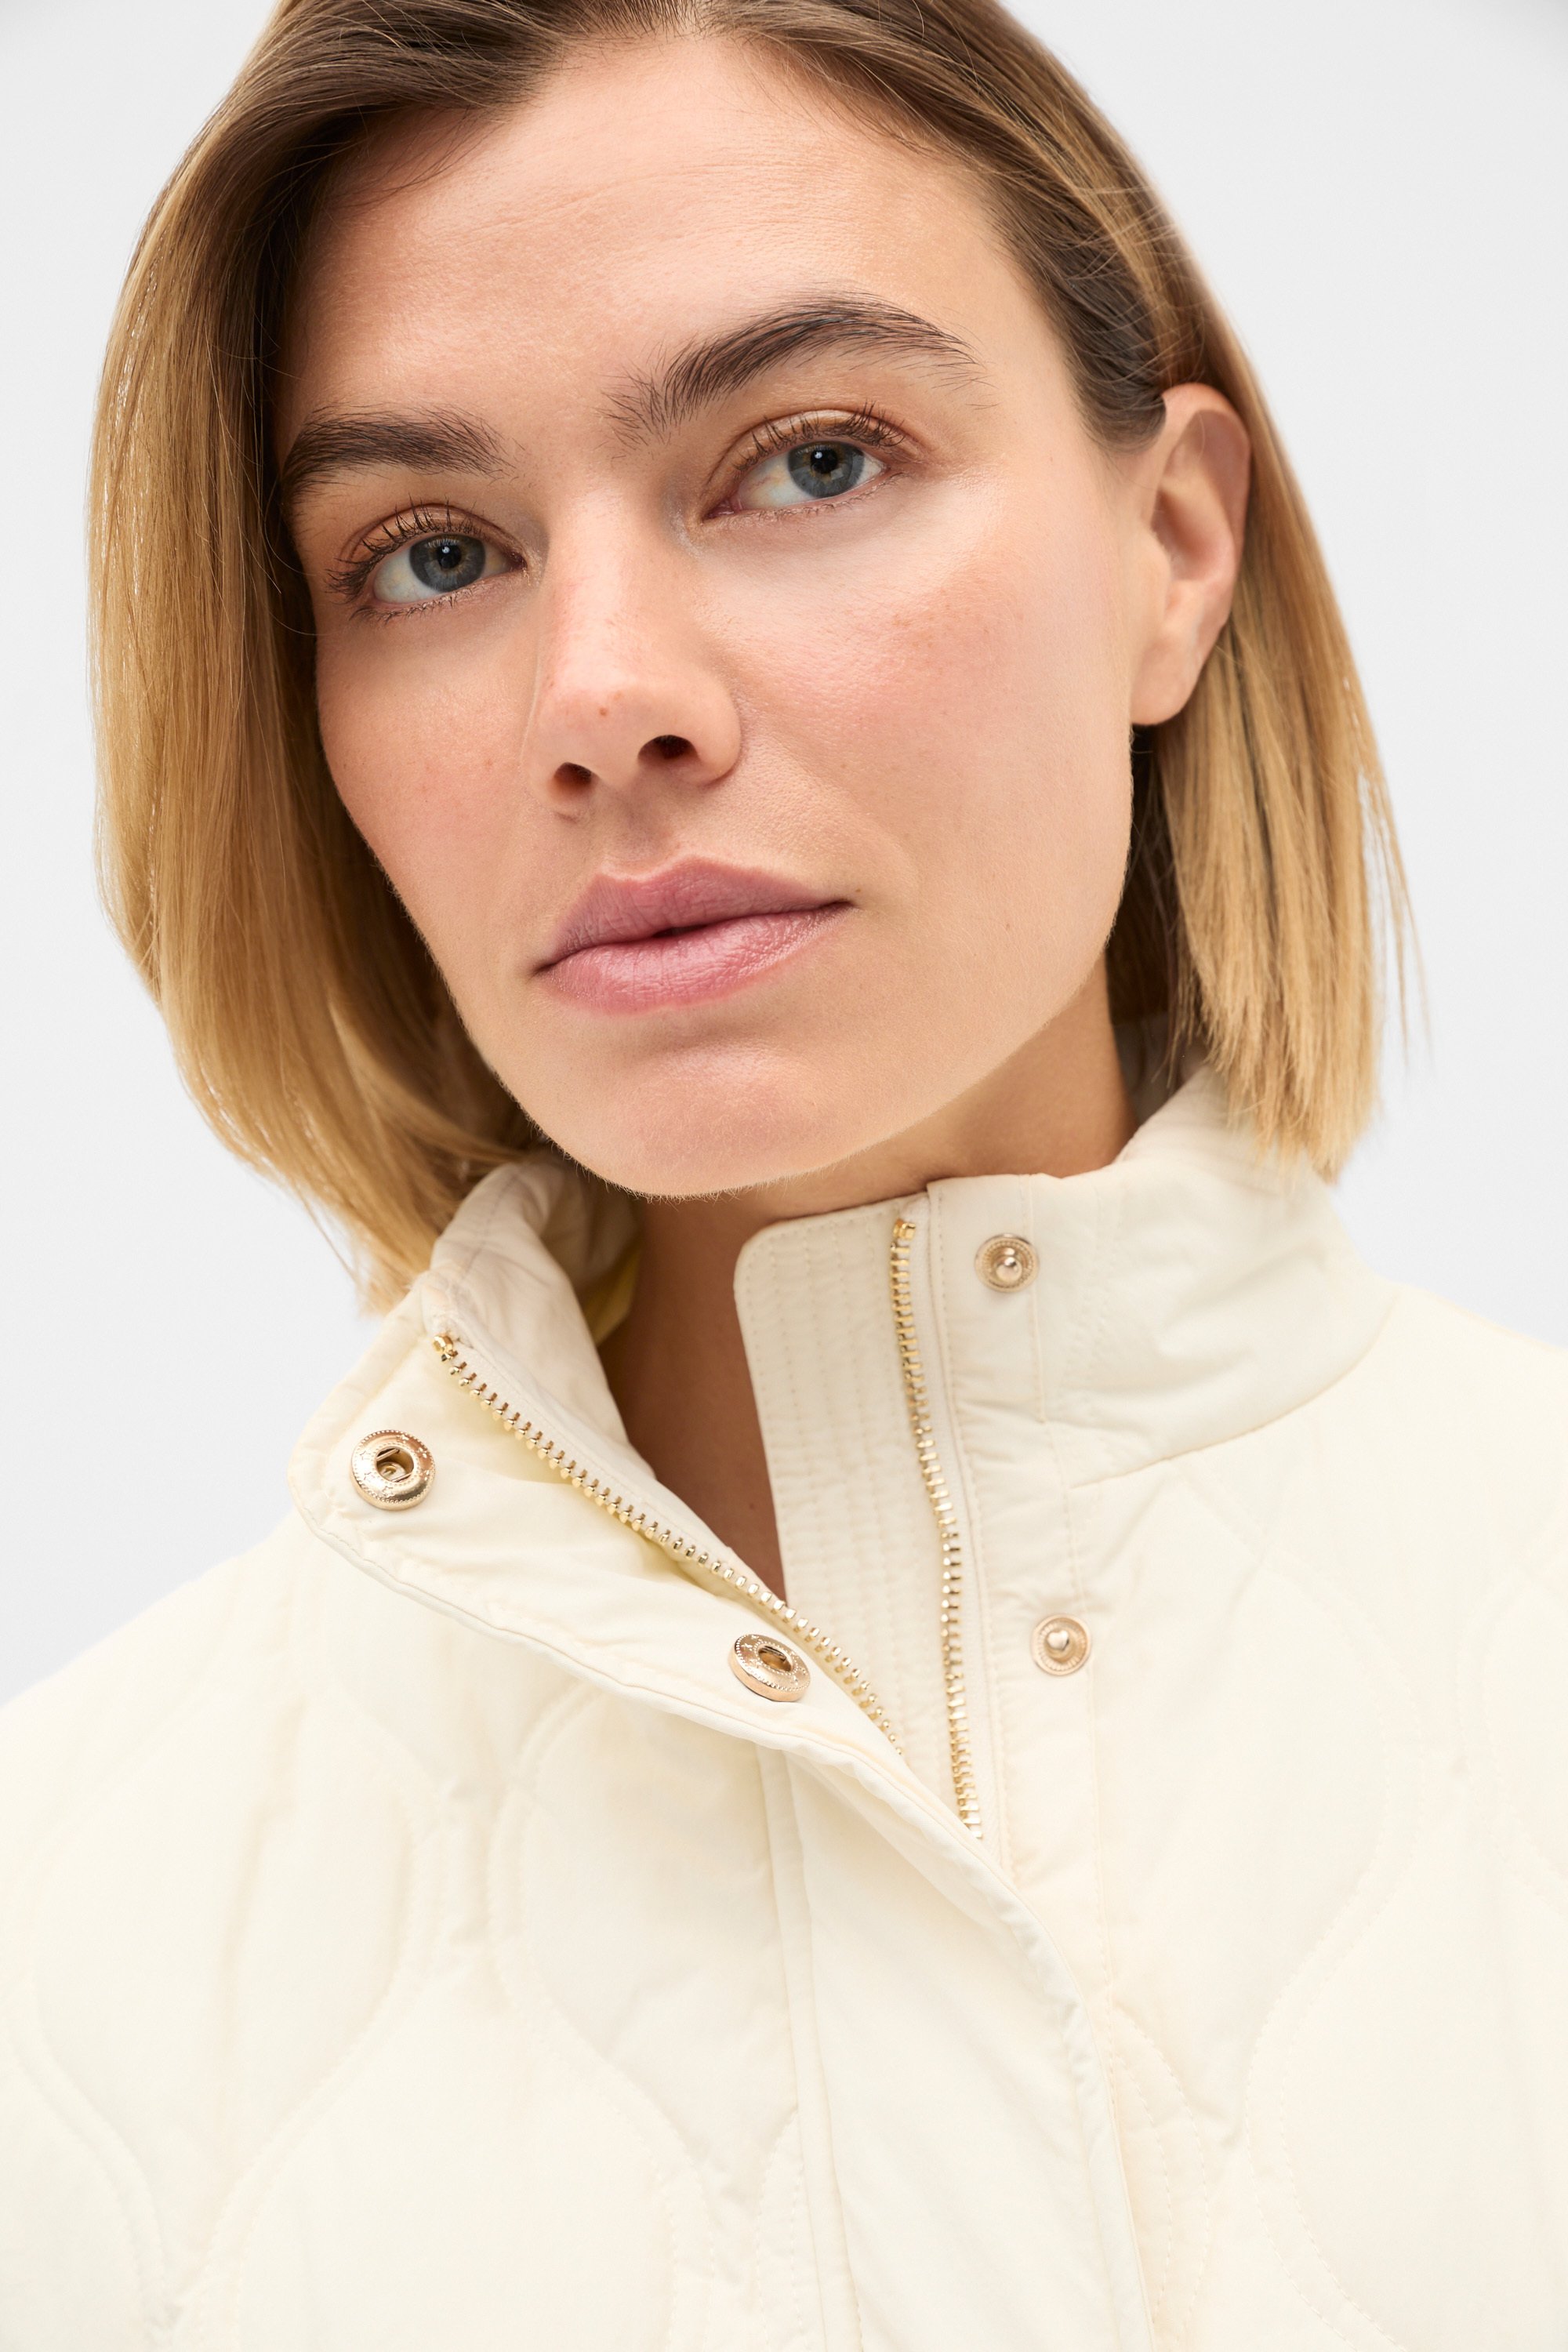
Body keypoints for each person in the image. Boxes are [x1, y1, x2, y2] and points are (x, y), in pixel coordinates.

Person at [2, 0, 1563, 2340]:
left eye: (812, 461)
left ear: (1172, 544)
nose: (603, 696)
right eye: (431, 555)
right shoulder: (57, 1947)